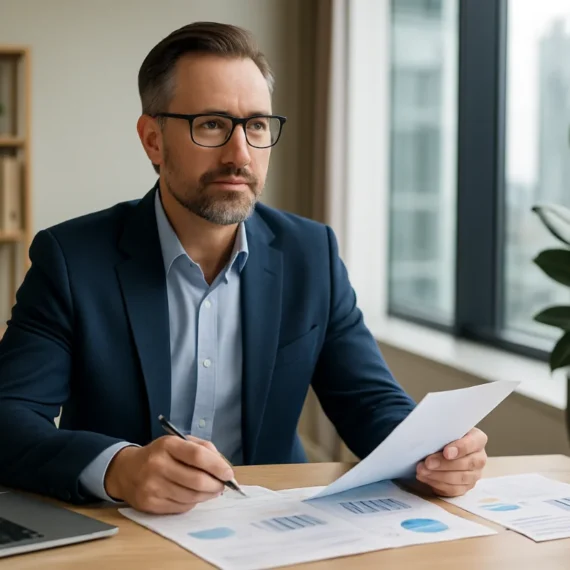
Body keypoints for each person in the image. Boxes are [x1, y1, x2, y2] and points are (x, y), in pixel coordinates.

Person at [0, 22, 488, 515]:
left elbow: (369, 401)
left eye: (256, 125)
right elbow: (9, 417)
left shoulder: (310, 252)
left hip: (272, 524)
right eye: (211, 124)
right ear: (152, 140)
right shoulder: (72, 258)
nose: (240, 155)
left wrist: (433, 453)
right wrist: (118, 467)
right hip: (126, 529)